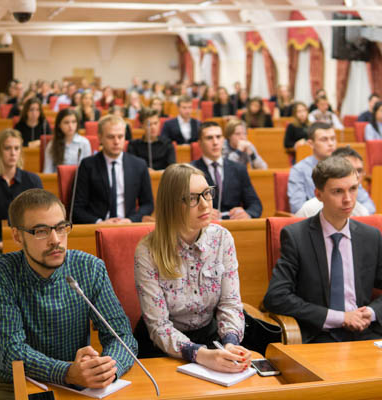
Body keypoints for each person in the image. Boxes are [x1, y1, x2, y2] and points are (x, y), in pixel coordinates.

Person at [0, 189, 137, 399]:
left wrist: (106, 369)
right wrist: (67, 372)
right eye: (41, 231)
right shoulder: (1, 273)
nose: (55, 240)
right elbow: (12, 350)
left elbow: (122, 337)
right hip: (17, 383)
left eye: (61, 228)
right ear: (17, 236)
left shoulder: (90, 268)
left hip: (80, 384)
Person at [263, 156, 382, 343]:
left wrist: (371, 313)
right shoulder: (296, 237)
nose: (348, 199)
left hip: (364, 331)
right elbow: (276, 297)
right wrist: (340, 317)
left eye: (353, 189)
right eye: (338, 191)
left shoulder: (370, 236)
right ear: (318, 194)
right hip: (319, 334)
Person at [133, 163, 252, 372]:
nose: (205, 205)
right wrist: (201, 355)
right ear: (171, 205)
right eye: (192, 198)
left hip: (211, 338)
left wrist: (231, 343)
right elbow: (159, 326)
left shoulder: (222, 238)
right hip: (162, 349)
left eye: (207, 193)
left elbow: (230, 303)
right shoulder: (147, 251)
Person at [0, 129, 42, 364]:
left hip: (29, 244)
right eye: (7, 148)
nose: (12, 153)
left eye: (16, 148)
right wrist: (1, 243)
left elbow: (41, 218)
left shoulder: (32, 181)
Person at [73, 115, 154, 224]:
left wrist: (131, 220)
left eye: (120, 136)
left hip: (128, 225)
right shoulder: (87, 165)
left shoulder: (139, 165)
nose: (116, 142)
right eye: (111, 137)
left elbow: (148, 204)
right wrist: (99, 222)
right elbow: (77, 208)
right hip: (98, 226)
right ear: (100, 138)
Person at [191, 121, 262, 219]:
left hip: (233, 223)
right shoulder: (191, 171)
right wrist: (199, 213)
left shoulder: (239, 169)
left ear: (223, 140)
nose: (215, 142)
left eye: (218, 137)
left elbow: (255, 204)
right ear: (200, 143)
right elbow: (181, 207)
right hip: (204, 224)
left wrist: (247, 214)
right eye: (209, 138)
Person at [288, 122, 336, 214]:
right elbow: (297, 208)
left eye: (333, 139)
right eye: (324, 139)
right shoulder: (299, 170)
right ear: (311, 144)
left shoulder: (345, 167)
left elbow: (364, 200)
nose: (331, 143)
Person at [43, 109, 92, 173]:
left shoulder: (84, 143)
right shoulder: (52, 144)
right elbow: (47, 170)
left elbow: (88, 169)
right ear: (59, 125)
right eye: (66, 122)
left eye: (74, 122)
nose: (70, 126)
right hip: (57, 178)